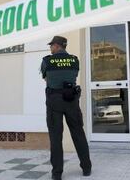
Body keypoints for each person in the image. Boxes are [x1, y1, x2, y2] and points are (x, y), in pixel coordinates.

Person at [41, 36, 92, 180]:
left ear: (57, 46)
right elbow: (73, 75)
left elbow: (46, 79)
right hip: (71, 101)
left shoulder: (47, 60)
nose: (50, 48)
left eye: (52, 45)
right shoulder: (74, 60)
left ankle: (57, 173)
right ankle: (86, 168)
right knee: (78, 134)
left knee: (56, 138)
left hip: (54, 102)